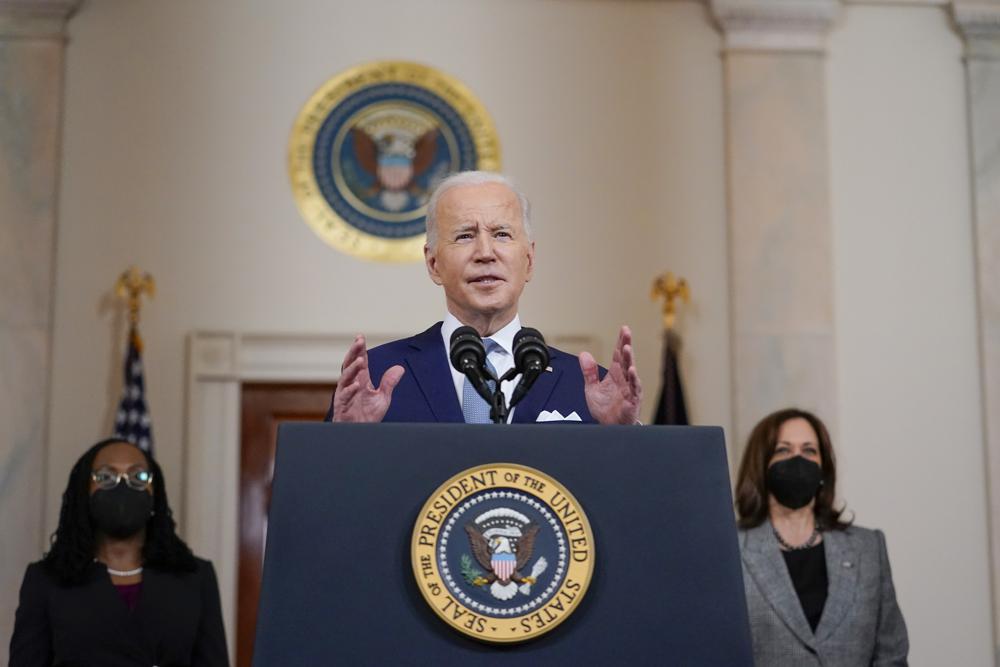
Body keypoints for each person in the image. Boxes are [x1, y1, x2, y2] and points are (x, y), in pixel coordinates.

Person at [328, 170, 643, 425]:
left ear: (529, 260)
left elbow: (631, 497)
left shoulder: (590, 387)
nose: (485, 253)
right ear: (433, 263)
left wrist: (624, 436)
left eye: (502, 234)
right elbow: (324, 496)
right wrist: (345, 441)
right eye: (465, 235)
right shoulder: (378, 377)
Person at [9, 437, 229, 666]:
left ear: (156, 494)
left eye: (138, 477)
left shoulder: (195, 578)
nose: (123, 486)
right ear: (84, 492)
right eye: (106, 477)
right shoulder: (46, 580)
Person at [734, 408, 908, 666]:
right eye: (783, 450)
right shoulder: (731, 549)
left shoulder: (868, 548)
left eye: (809, 451)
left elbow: (891, 655)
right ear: (761, 465)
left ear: (823, 468)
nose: (798, 460)